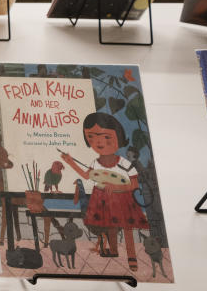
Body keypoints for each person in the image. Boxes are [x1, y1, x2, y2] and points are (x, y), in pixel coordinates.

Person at [60, 112, 148, 272]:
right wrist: (70, 162)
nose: (99, 142)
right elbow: (87, 176)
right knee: (109, 226)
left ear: (119, 138)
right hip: (101, 199)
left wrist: (116, 187)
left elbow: (134, 184)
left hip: (122, 200)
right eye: (92, 137)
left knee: (127, 229)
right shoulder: (96, 162)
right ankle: (113, 251)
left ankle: (132, 256)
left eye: (106, 137)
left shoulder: (124, 163)